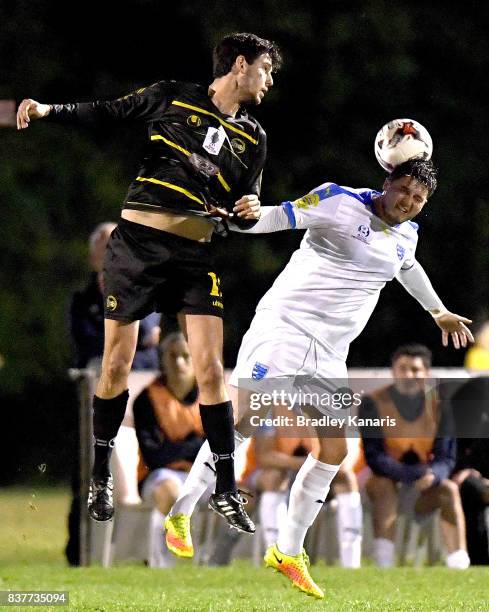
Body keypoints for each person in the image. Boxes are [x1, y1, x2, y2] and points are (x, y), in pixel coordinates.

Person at [165, 158, 474, 598]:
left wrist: (438, 311)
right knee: (242, 419)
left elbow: (407, 267)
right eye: (404, 190)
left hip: (329, 354)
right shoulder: (337, 200)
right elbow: (281, 216)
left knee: (335, 448)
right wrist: (243, 221)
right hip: (285, 327)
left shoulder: (408, 234)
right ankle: (181, 511)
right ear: (387, 182)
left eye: (419, 199)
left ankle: (288, 550)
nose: (408, 202)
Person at [17, 33, 282, 531]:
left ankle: (226, 488)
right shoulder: (172, 96)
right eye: (266, 70)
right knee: (116, 364)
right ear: (241, 65)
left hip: (195, 255)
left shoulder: (255, 138)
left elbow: (246, 207)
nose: (270, 81)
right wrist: (49, 109)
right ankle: (101, 474)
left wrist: (249, 211)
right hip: (137, 246)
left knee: (210, 370)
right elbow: (108, 111)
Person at [65, 221, 161, 566]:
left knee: (144, 472)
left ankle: (143, 553)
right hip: (97, 402)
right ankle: (82, 554)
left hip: (141, 401)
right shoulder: (82, 301)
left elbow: (151, 338)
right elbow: (91, 344)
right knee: (89, 475)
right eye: (105, 247)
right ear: (93, 256)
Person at [358, 344, 469, 570]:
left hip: (423, 485)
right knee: (382, 486)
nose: (409, 375)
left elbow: (446, 457)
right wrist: (408, 474)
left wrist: (433, 475)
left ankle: (458, 563)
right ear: (393, 371)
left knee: (449, 489)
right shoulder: (373, 403)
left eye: (415, 370)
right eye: (403, 368)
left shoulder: (440, 406)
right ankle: (384, 562)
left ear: (426, 374)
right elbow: (374, 455)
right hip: (384, 478)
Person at [133, 331, 204, 565]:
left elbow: (222, 448)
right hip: (159, 475)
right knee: (171, 493)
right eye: (172, 356)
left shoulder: (211, 398)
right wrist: (195, 444)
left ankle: (214, 564)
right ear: (162, 360)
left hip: (201, 474)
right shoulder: (147, 399)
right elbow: (155, 456)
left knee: (242, 498)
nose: (179, 362)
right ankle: (161, 565)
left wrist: (179, 446)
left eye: (186, 356)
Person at [450, 375, 489, 564]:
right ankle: (478, 561)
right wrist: (466, 468)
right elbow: (455, 442)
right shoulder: (477, 390)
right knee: (470, 487)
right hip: (476, 475)